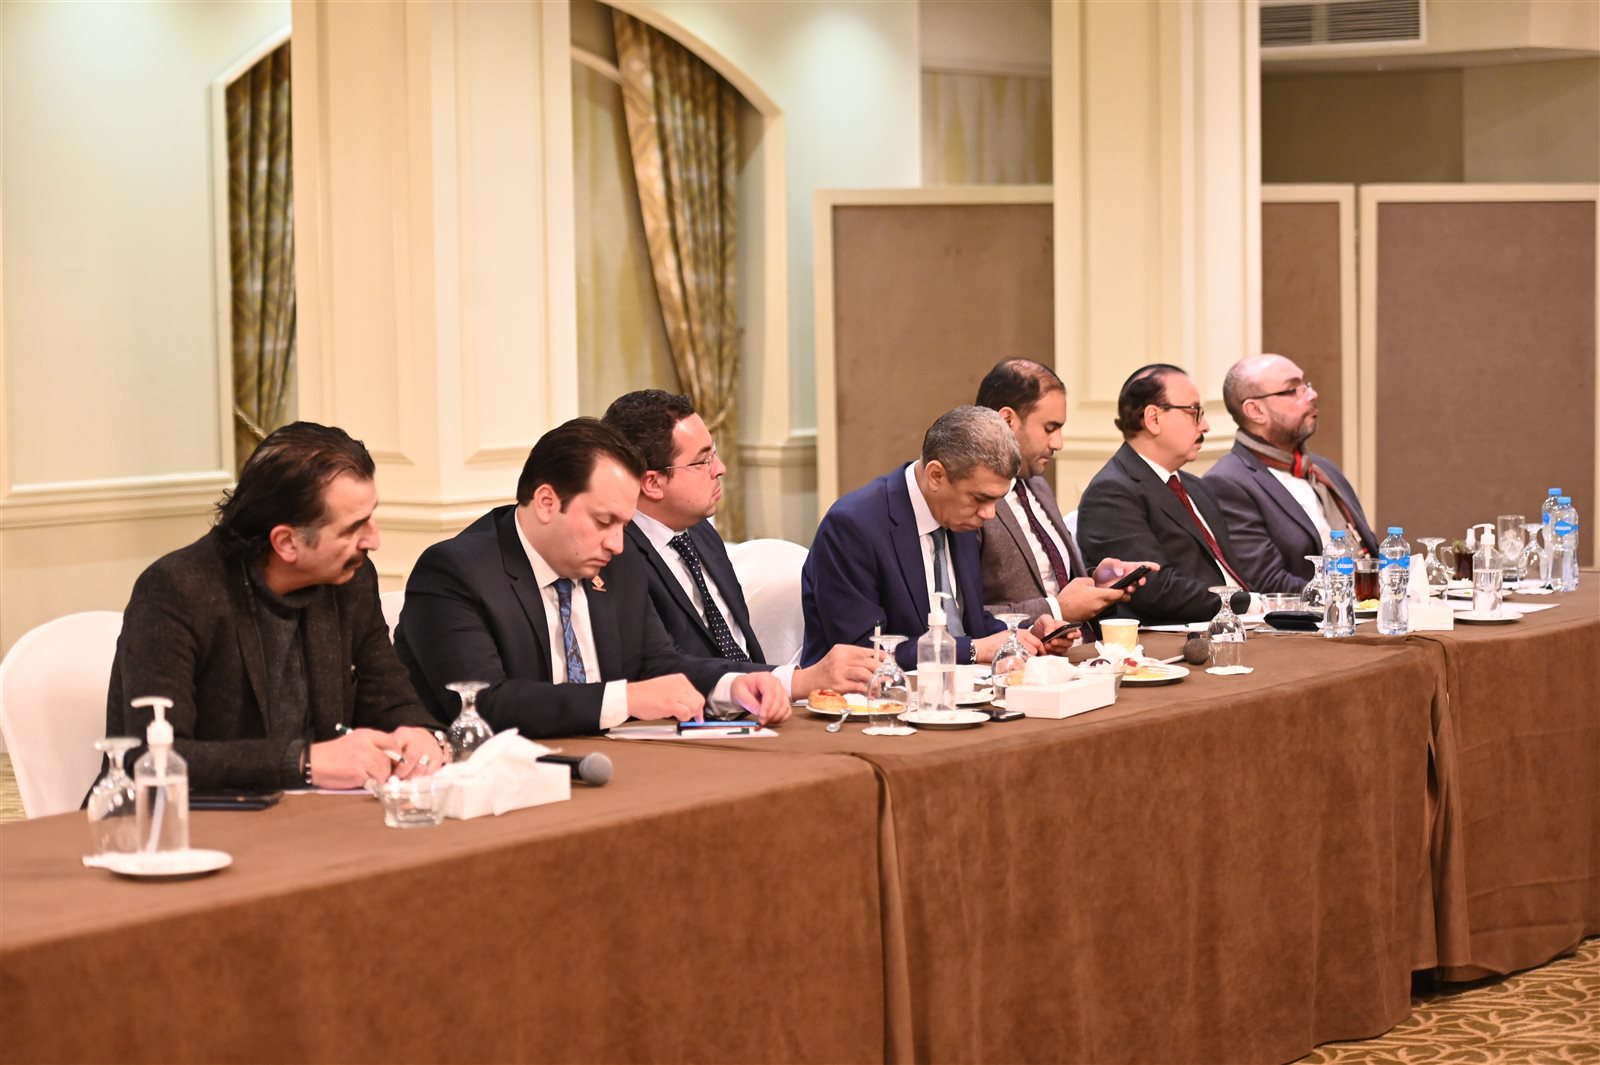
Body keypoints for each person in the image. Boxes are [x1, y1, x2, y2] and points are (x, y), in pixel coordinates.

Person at [101, 422, 446, 792]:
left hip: (319, 812)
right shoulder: (177, 590)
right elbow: (153, 757)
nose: (374, 540)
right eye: (353, 528)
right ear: (286, 543)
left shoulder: (352, 580)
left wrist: (421, 734)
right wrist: (303, 762)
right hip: (186, 818)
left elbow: (391, 698)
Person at [395, 418, 788, 740]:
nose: (617, 543)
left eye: (624, 524)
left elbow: (657, 663)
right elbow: (485, 705)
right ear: (547, 502)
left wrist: (729, 686)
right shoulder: (455, 573)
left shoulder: (620, 561)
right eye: (603, 521)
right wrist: (625, 700)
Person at [601, 390, 880, 698]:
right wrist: (796, 681)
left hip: (762, 708)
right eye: (702, 461)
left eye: (714, 453)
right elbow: (663, 668)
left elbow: (741, 650)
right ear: (653, 483)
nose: (720, 468)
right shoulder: (615, 555)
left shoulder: (699, 532)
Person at [802, 406, 1049, 671]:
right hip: (871, 693)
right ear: (936, 476)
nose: (989, 514)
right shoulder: (853, 526)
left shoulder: (957, 516)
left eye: (996, 500)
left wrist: (1021, 637)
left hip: (960, 688)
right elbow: (865, 653)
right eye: (980, 498)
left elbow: (968, 624)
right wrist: (973, 649)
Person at [973, 358, 1158, 638]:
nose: (1058, 443)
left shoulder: (1037, 485)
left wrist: (1097, 582)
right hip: (1024, 656)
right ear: (1007, 420)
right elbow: (965, 618)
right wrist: (1056, 610)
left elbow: (1059, 583)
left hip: (1087, 648)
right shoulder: (970, 502)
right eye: (1050, 428)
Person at [1077, 364, 1252, 624]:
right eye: (1194, 412)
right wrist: (1250, 604)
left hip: (1236, 624)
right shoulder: (1111, 492)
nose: (1205, 426)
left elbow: (1233, 571)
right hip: (1169, 638)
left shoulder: (1197, 487)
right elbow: (1156, 589)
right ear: (1153, 419)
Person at [1204, 354, 1378, 592]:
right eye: (1293, 389)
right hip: (1310, 614)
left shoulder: (1323, 469)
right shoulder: (1227, 483)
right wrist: (1352, 596)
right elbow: (1269, 584)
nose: (1312, 394)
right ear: (1255, 411)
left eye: (1306, 385)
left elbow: (1368, 551)